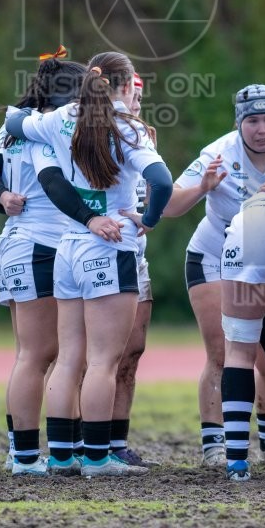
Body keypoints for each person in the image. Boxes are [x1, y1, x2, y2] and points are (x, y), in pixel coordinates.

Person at [5, 51, 174, 477]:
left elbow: (13, 122)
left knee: (70, 358)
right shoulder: (129, 127)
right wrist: (147, 219)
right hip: (111, 243)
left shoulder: (62, 118)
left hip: (68, 245)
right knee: (103, 362)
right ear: (126, 83)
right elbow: (161, 181)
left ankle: (62, 456)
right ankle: (97, 458)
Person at [162, 87, 265, 468]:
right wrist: (203, 187)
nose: (262, 129)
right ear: (239, 123)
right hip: (216, 256)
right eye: (252, 120)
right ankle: (215, 443)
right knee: (226, 350)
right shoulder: (217, 153)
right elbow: (170, 204)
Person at [0, 48, 86, 475]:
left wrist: (2, 196)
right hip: (44, 244)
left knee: (33, 353)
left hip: (15, 243)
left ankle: (25, 450)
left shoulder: (15, 125)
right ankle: (28, 456)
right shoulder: (56, 127)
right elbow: (54, 182)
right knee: (44, 355)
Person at [110, 72, 158, 467]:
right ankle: (81, 440)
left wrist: (147, 216)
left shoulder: (143, 134)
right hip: (101, 248)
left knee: (131, 353)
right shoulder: (89, 132)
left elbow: (153, 186)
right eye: (132, 94)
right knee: (95, 355)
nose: (136, 103)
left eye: (141, 96)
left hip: (135, 253)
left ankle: (116, 443)